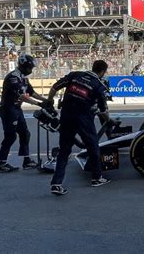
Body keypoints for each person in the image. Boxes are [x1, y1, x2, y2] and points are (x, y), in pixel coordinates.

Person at [47, 60, 111, 195]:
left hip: (66, 116)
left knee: (64, 151)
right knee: (93, 147)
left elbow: (54, 87)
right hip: (83, 119)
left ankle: (56, 183)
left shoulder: (74, 75)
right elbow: (104, 111)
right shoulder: (99, 85)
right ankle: (97, 178)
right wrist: (109, 121)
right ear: (102, 72)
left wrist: (50, 101)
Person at [0, 54, 50, 172]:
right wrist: (38, 104)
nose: (31, 70)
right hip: (8, 109)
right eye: (30, 68)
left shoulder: (23, 77)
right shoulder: (13, 78)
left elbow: (30, 92)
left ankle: (27, 161)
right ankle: (2, 163)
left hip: (16, 109)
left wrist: (46, 100)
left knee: (25, 134)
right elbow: (22, 96)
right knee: (10, 136)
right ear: (24, 66)